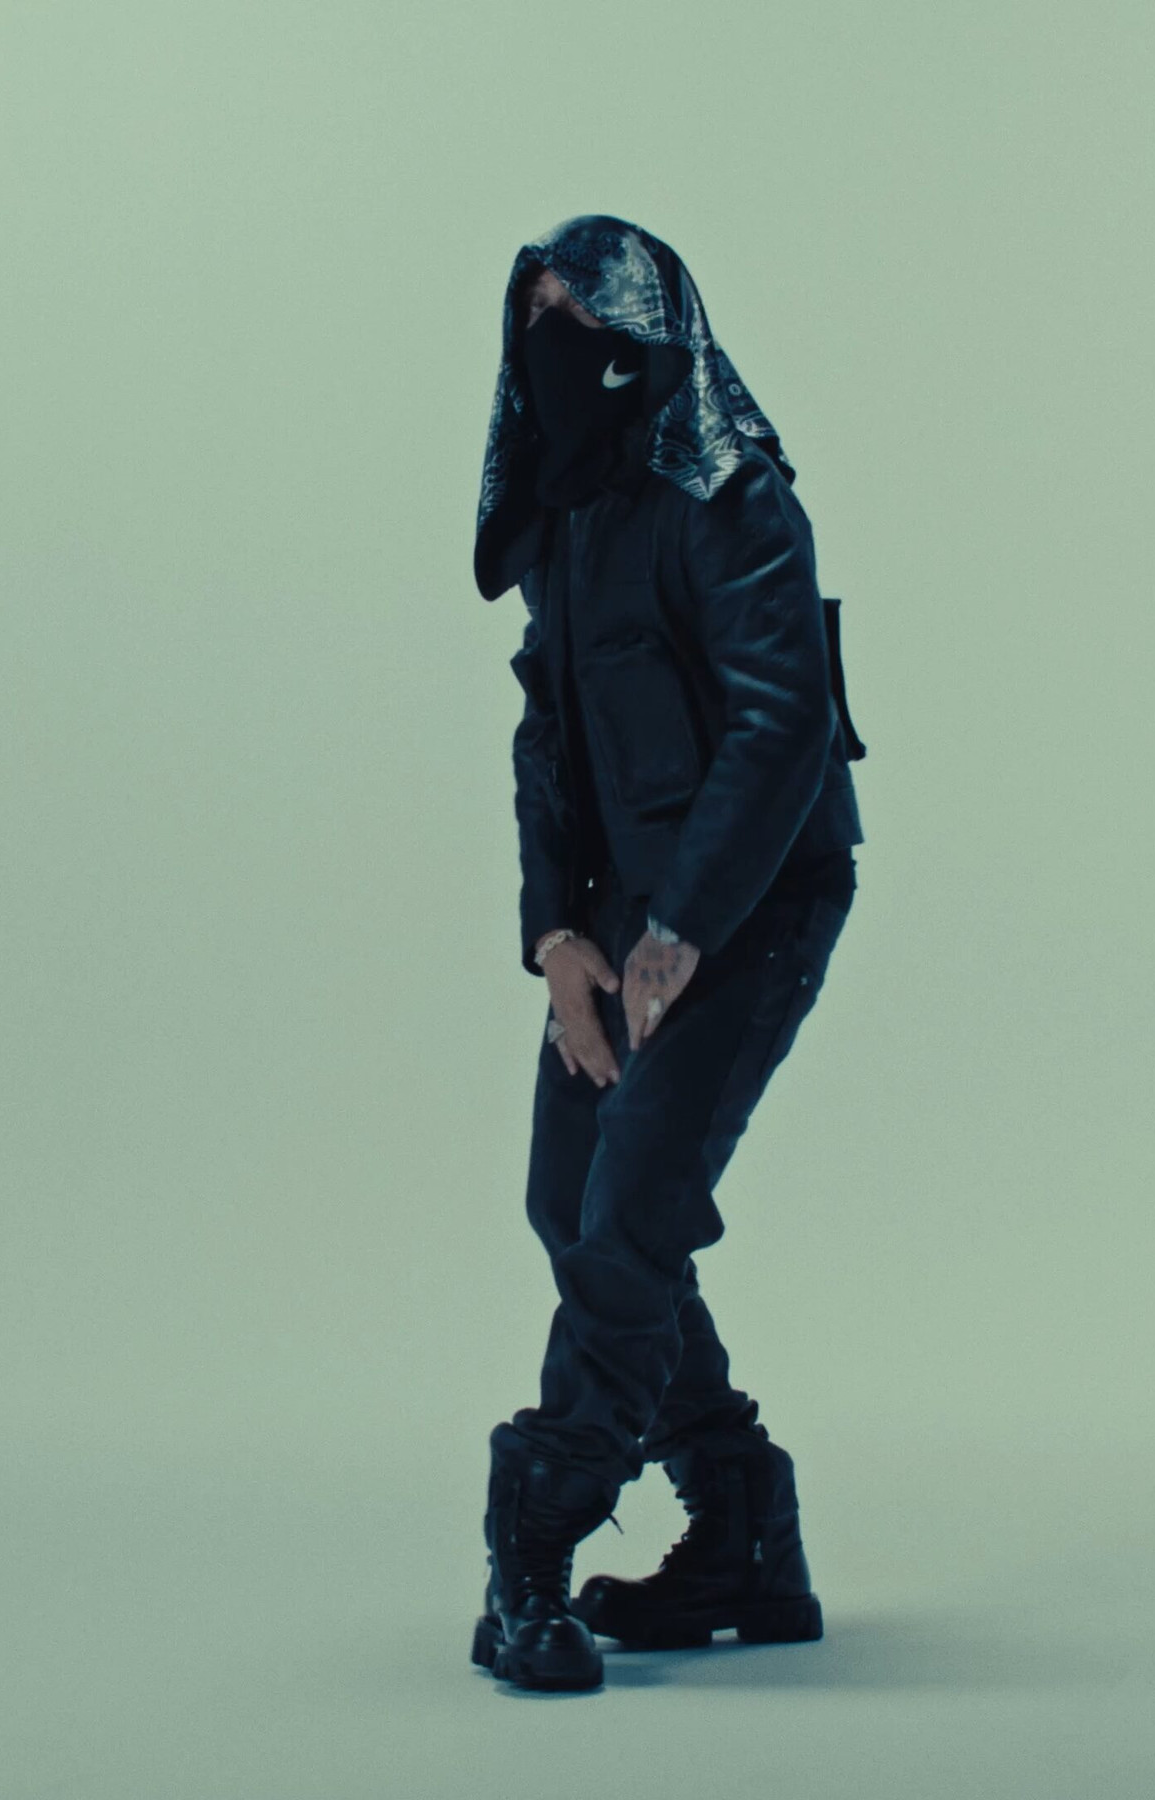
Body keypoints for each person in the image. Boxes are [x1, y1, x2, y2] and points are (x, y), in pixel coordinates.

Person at [467, 214, 870, 1692]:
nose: (557, 344)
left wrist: (684, 927)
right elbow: (548, 738)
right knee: (566, 1200)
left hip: (755, 900)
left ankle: (533, 1541)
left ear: (650, 333)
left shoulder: (734, 494)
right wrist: (560, 939)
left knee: (630, 1211)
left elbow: (782, 722)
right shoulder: (568, 511)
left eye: (586, 316)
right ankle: (744, 1531)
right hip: (622, 917)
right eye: (535, 318)